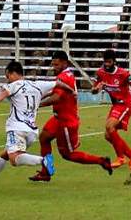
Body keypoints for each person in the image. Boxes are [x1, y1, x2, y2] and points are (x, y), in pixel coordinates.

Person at [29, 51, 113, 182]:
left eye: (56, 64)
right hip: (58, 118)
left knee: (68, 155)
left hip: (66, 121)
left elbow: (56, 97)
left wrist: (37, 105)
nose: (54, 67)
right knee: (44, 138)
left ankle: (101, 161)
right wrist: (39, 97)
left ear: (64, 63)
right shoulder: (65, 74)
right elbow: (53, 90)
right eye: (53, 64)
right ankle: (46, 172)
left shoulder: (65, 76)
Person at [0, 61, 57, 189]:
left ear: (12, 73)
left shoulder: (14, 84)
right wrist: (71, 91)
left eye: (7, 76)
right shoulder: (37, 85)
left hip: (16, 128)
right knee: (5, 155)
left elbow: (4, 92)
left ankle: (43, 160)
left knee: (13, 158)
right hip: (32, 132)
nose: (7, 80)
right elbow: (58, 84)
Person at [91, 49, 131, 170]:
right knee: (108, 136)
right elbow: (93, 90)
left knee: (109, 127)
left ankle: (120, 158)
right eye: (105, 62)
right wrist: (97, 88)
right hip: (116, 106)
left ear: (114, 61)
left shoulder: (123, 74)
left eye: (109, 62)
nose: (107, 64)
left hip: (125, 104)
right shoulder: (100, 73)